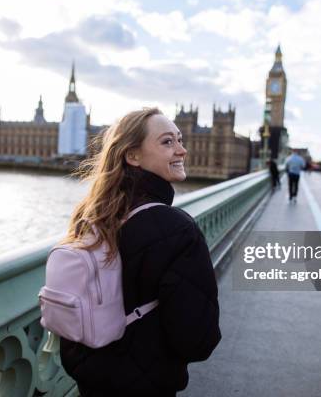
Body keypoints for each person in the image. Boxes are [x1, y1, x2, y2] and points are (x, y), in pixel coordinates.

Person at [58, 107, 221, 397]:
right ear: (132, 156)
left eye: (180, 140)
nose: (182, 150)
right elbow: (198, 339)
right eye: (167, 142)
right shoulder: (179, 230)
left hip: (90, 381)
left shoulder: (89, 217)